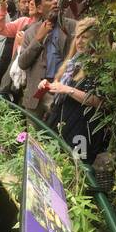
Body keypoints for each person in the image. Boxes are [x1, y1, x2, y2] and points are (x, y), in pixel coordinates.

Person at [44, 17, 106, 162]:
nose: (79, 41)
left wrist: (66, 89)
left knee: (75, 172)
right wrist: (48, 86)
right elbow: (59, 87)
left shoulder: (100, 66)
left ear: (96, 40)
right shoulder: (73, 62)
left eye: (84, 37)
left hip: (81, 132)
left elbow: (98, 101)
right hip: (60, 123)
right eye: (77, 36)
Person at [19, 0, 77, 115]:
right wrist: (38, 38)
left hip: (60, 92)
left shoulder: (72, 26)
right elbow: (22, 63)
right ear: (39, 8)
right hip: (36, 94)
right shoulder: (30, 32)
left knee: (56, 133)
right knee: (33, 135)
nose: (55, 1)